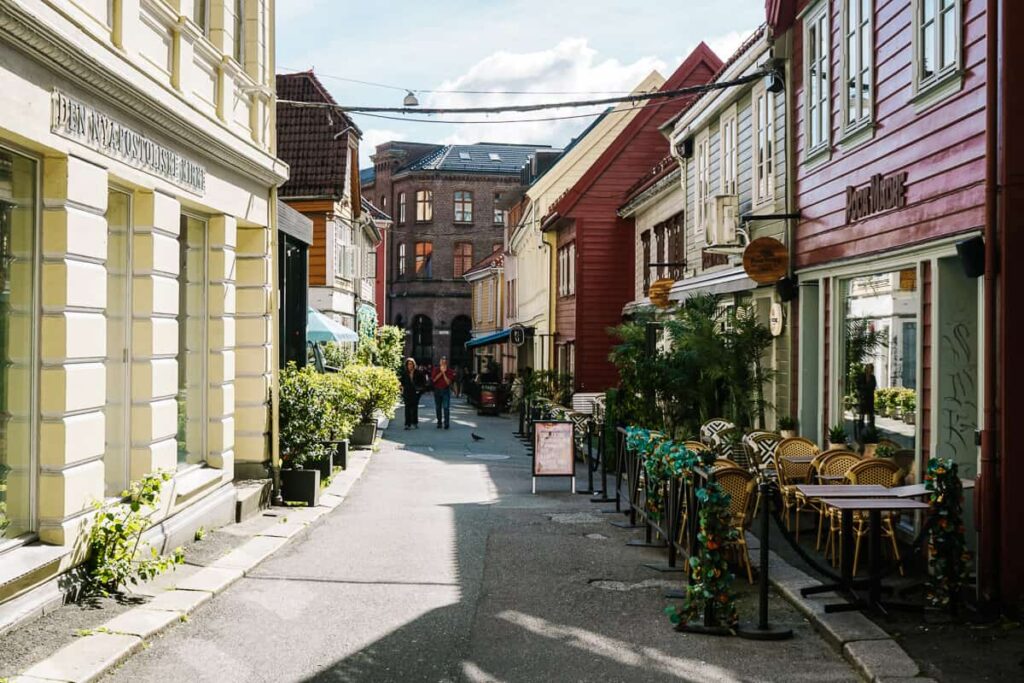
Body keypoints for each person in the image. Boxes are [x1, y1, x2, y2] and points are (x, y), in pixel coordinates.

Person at [431, 356, 456, 429]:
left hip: (445, 390)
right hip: (437, 390)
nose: (443, 364)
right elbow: (434, 380)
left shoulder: (450, 371)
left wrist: (444, 373)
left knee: (446, 407)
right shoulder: (436, 370)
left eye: (444, 362)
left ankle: (446, 423)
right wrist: (441, 372)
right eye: (442, 362)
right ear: (440, 363)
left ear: (446, 363)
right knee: (438, 407)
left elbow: (448, 382)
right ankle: (439, 422)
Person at [855, 363, 878, 440]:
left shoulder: (873, 377)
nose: (870, 370)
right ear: (866, 369)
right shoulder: (861, 376)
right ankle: (860, 434)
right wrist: (864, 389)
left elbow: (873, 386)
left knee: (871, 416)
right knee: (861, 416)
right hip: (862, 399)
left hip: (870, 399)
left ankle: (871, 433)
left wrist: (864, 388)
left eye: (871, 369)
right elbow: (858, 386)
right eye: (868, 368)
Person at [399, 357, 421, 430]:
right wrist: (401, 389)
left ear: (413, 365)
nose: (410, 365)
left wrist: (419, 390)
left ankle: (415, 422)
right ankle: (407, 424)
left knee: (414, 408)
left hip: (415, 392)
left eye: (411, 364)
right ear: (407, 365)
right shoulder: (405, 373)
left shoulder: (417, 372)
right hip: (407, 392)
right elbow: (401, 382)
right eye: (408, 364)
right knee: (407, 408)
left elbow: (422, 382)